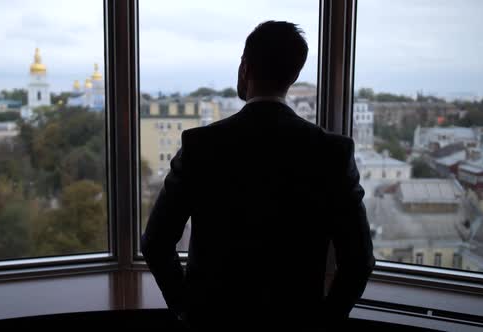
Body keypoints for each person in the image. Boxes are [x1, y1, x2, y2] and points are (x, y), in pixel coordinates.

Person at [141, 20, 375, 330]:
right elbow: (359, 261)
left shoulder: (201, 146)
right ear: (294, 75)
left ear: (245, 68)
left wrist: (186, 307)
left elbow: (156, 242)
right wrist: (325, 322)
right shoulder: (332, 152)